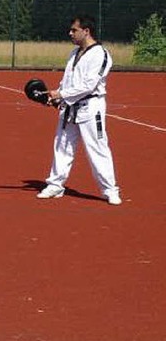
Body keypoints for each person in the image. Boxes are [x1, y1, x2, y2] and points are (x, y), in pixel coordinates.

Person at [37, 15, 122, 205]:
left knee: (97, 148)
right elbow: (67, 80)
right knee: (62, 145)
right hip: (69, 107)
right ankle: (55, 185)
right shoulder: (74, 53)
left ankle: (110, 189)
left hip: (91, 109)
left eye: (74, 30)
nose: (70, 33)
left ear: (86, 31)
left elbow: (89, 85)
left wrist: (61, 94)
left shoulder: (101, 54)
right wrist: (56, 98)